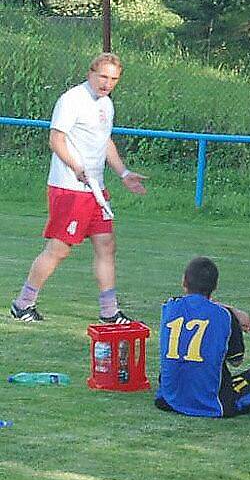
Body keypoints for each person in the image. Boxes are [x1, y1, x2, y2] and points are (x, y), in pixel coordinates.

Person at [10, 53, 147, 323]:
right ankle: (23, 303)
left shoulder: (106, 105)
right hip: (70, 189)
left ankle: (109, 312)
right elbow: (56, 139)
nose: (107, 84)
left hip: (95, 190)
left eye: (114, 79)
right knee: (59, 249)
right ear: (90, 74)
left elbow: (105, 142)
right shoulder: (72, 100)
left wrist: (124, 173)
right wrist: (76, 166)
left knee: (107, 245)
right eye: (103, 77)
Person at [154, 257, 250, 417]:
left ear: (184, 282)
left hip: (168, 398)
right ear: (215, 286)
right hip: (212, 403)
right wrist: (234, 313)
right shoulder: (225, 317)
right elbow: (236, 361)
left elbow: (198, 305)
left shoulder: (169, 306)